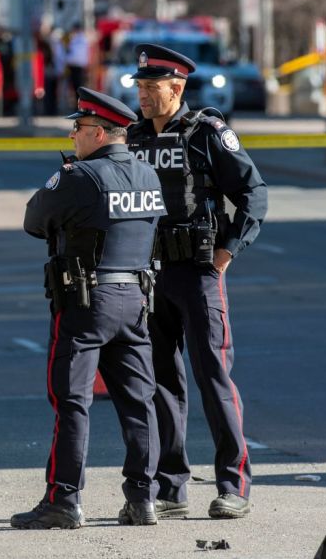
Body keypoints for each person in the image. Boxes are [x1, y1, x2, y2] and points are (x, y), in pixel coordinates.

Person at [13, 87, 166, 530]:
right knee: (139, 403)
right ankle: (143, 499)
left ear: (99, 133)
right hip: (135, 301)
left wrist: (64, 181)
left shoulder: (79, 177)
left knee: (72, 402)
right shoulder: (148, 175)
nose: (73, 135)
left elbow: (32, 221)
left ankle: (64, 500)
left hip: (85, 302)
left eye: (77, 128)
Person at [127, 44, 268, 520]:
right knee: (161, 382)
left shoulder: (206, 133)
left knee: (213, 378)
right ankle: (171, 487)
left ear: (177, 87)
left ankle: (234, 485)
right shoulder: (132, 138)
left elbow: (253, 192)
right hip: (149, 277)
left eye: (151, 87)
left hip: (198, 273)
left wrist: (229, 251)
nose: (143, 95)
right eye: (140, 87)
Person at [64, 25, 89, 103]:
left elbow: (73, 54)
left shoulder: (77, 40)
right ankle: (78, 103)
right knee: (78, 87)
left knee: (78, 87)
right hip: (77, 66)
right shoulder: (80, 39)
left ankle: (79, 103)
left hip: (77, 66)